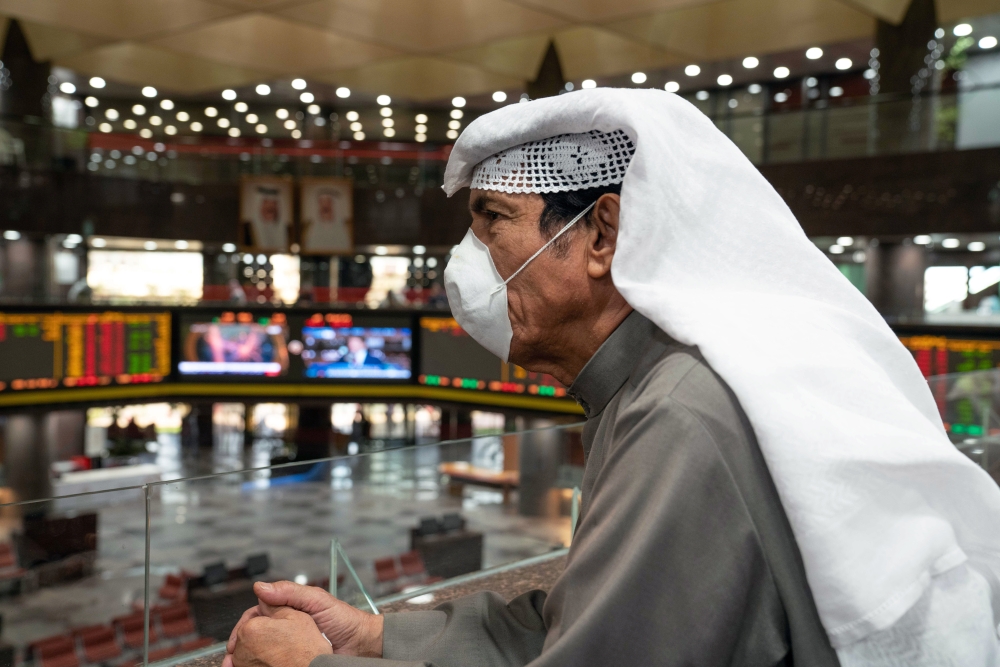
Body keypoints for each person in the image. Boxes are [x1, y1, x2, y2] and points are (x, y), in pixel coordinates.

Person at [225, 89, 1000, 666]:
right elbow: (587, 621)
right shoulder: (654, 389)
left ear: (602, 233)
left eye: (493, 220)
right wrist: (379, 633)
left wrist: (308, 665)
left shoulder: (683, 416)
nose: (470, 266)